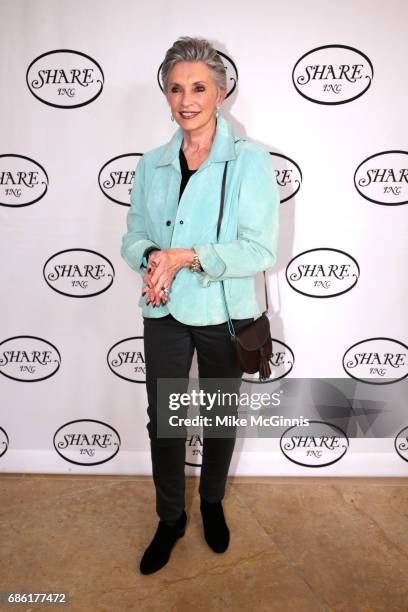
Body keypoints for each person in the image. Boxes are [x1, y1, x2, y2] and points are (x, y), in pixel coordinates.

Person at [120, 36, 279, 575]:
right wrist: (152, 262)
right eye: (176, 88)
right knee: (162, 422)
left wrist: (184, 256)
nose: (186, 99)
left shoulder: (251, 163)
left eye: (199, 87)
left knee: (217, 414)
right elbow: (134, 236)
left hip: (223, 315)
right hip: (161, 311)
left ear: (221, 92)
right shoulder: (151, 165)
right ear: (166, 95)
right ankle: (170, 518)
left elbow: (259, 249)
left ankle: (211, 503)